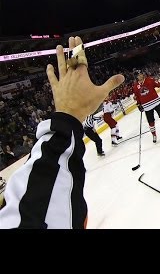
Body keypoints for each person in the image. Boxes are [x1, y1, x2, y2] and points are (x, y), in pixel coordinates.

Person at [0, 36, 124, 229]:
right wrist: (69, 114)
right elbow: (35, 205)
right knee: (98, 139)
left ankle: (104, 146)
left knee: (99, 139)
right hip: (80, 129)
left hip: (80, 130)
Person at [132, 69, 160, 143]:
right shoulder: (135, 86)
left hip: (156, 102)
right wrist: (138, 104)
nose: (140, 75)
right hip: (147, 106)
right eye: (138, 75)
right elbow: (137, 96)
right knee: (151, 122)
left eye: (141, 73)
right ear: (136, 77)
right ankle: (154, 135)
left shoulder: (150, 80)